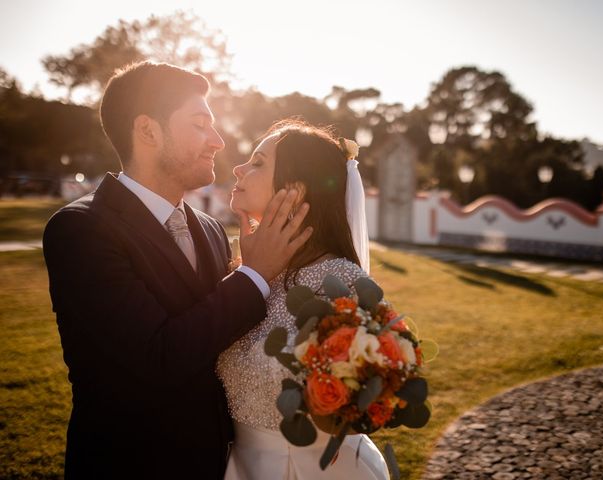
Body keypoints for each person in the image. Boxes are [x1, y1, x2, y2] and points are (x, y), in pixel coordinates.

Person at [42, 62, 312, 480]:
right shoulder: (80, 230)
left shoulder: (210, 228)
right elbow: (156, 357)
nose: (218, 141)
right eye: (201, 124)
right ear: (148, 131)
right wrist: (254, 276)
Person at [216, 119, 390, 479]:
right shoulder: (245, 274)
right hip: (240, 468)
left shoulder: (343, 284)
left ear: (293, 191)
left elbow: (359, 406)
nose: (238, 168)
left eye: (258, 163)